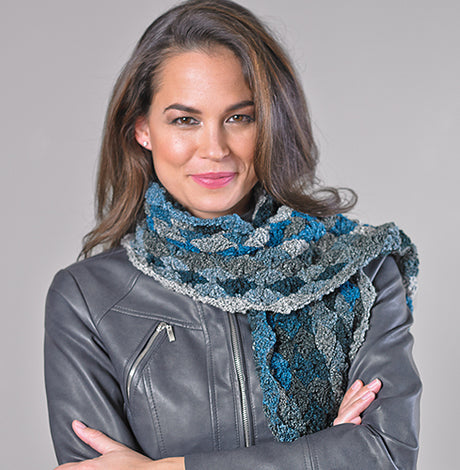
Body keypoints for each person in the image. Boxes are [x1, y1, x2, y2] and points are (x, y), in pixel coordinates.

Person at [44, 1, 421, 469]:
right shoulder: (87, 299)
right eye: (185, 120)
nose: (214, 148)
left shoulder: (360, 268)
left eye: (239, 117)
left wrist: (169, 468)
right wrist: (324, 453)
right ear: (143, 129)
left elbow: (385, 455)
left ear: (271, 123)